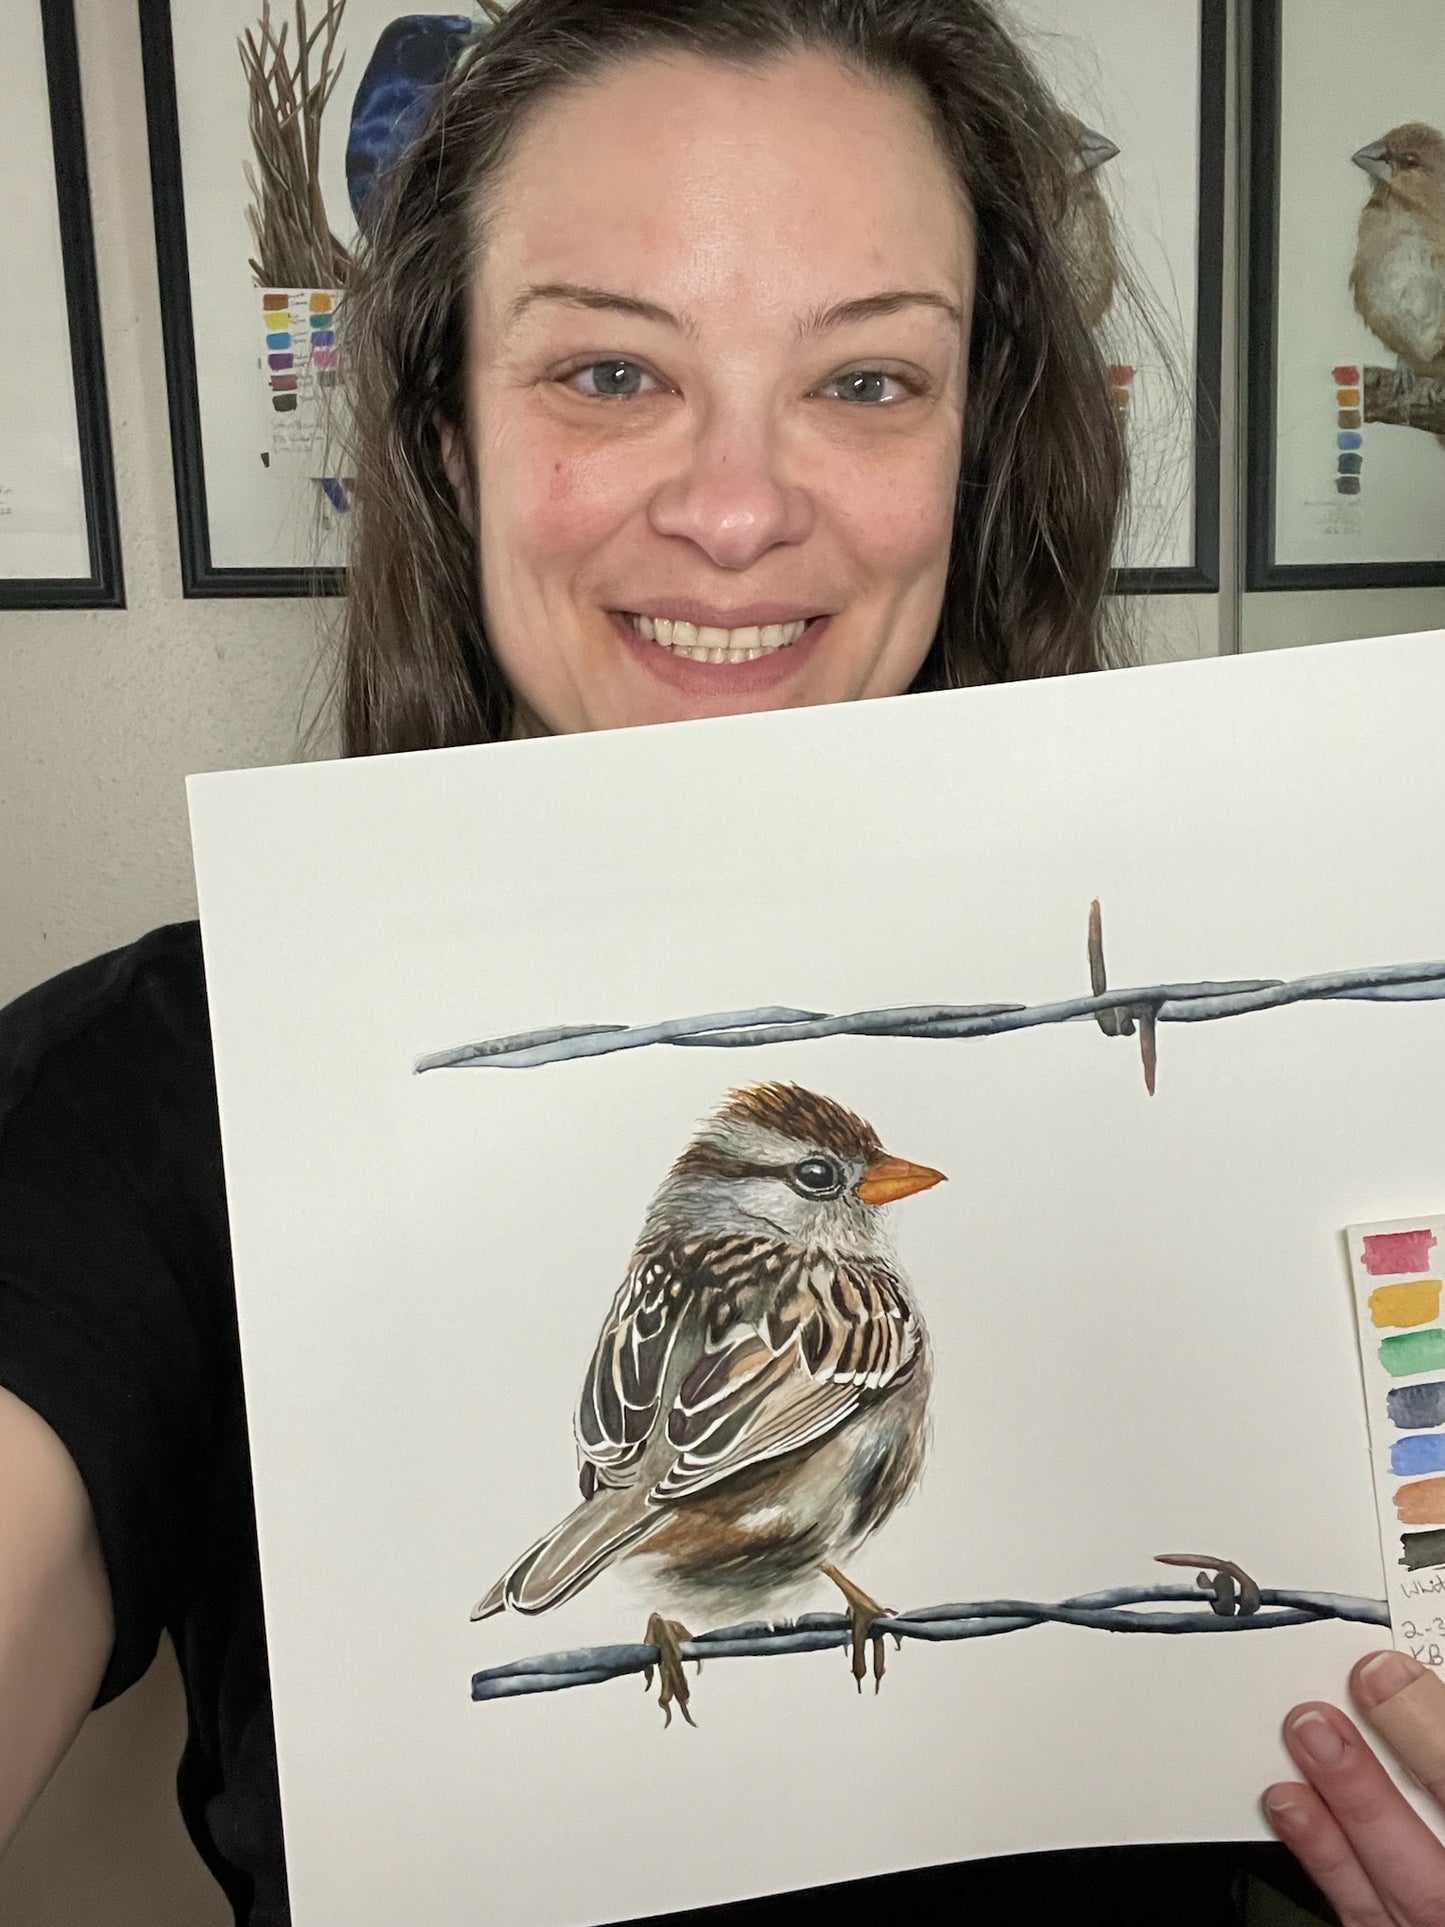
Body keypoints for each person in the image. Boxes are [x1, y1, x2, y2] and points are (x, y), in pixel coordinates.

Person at [0, 0, 1437, 1921]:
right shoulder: (165, 1089)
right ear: (447, 437)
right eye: (610, 370)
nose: (739, 509)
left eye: (866, 380)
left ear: (977, 448)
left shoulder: (1288, 1019)